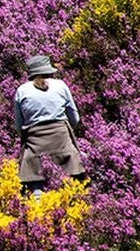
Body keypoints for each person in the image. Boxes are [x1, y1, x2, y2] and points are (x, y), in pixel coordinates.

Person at [14, 54, 86, 195]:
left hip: (35, 144)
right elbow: (75, 118)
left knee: (36, 184)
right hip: (62, 140)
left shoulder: (22, 91)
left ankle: (38, 210)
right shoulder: (60, 85)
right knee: (72, 184)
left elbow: (19, 126)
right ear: (49, 70)